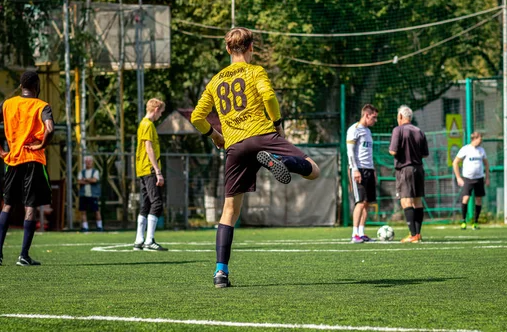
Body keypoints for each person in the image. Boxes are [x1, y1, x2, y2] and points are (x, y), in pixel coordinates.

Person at [191, 27, 320, 288]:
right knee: (313, 169)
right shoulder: (255, 71)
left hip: (235, 146)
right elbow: (269, 96)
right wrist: (277, 124)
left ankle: (220, 273)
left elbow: (196, 117)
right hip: (263, 136)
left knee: (229, 211)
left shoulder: (215, 81)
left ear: (228, 49)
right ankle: (281, 162)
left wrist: (214, 134)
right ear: (251, 48)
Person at [0, 71, 54, 266]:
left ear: (21, 85)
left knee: (8, 204)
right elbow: (50, 128)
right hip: (33, 159)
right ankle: (23, 255)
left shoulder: (8, 104)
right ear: (36, 85)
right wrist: (41, 146)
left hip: (13, 160)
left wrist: (0, 151)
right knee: (29, 206)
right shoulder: (42, 106)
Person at [388, 105, 429, 243]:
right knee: (417, 201)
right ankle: (417, 234)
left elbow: (393, 151)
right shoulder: (419, 131)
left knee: (406, 200)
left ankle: (412, 234)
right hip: (419, 168)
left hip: (405, 169)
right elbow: (425, 154)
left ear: (400, 116)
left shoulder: (398, 130)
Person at [133, 98, 168, 251]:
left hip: (142, 169)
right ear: (155, 110)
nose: (160, 115)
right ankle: (149, 240)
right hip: (149, 169)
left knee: (146, 203)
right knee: (157, 203)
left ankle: (139, 240)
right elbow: (149, 148)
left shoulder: (142, 123)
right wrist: (158, 171)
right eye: (161, 112)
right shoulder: (148, 125)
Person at [346, 104, 378, 243]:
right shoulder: (354, 129)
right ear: (366, 115)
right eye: (374, 117)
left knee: (367, 202)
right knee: (359, 202)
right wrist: (355, 169)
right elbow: (350, 151)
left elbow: (368, 154)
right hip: (359, 169)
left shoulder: (368, 132)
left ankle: (361, 232)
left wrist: (373, 170)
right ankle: (354, 234)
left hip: (369, 170)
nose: (375, 120)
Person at [452, 131, 490, 230]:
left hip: (479, 178)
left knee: (478, 199)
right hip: (468, 179)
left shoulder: (481, 150)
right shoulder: (465, 149)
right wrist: (458, 177)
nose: (480, 141)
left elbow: (486, 164)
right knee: (466, 198)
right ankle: (464, 221)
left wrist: (487, 178)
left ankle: (475, 222)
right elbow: (455, 162)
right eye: (480, 139)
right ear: (474, 139)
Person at [77, 155, 103, 232]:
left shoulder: (95, 171)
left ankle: (99, 226)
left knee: (96, 210)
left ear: (92, 162)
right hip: (83, 194)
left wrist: (85, 180)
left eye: (89, 161)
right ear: (85, 163)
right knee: (83, 211)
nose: (88, 163)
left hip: (93, 195)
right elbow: (79, 181)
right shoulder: (81, 172)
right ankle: (85, 227)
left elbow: (95, 180)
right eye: (87, 161)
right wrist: (89, 180)